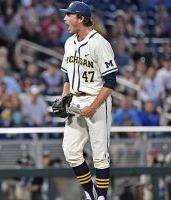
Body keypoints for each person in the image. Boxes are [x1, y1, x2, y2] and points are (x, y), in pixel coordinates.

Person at [58, 2, 118, 200]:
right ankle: (90, 192)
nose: (65, 19)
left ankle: (101, 197)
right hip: (76, 100)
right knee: (71, 151)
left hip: (97, 99)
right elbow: (67, 73)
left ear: (81, 18)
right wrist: (65, 96)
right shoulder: (69, 42)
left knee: (100, 155)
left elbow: (110, 81)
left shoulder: (99, 43)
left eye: (69, 15)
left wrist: (93, 106)